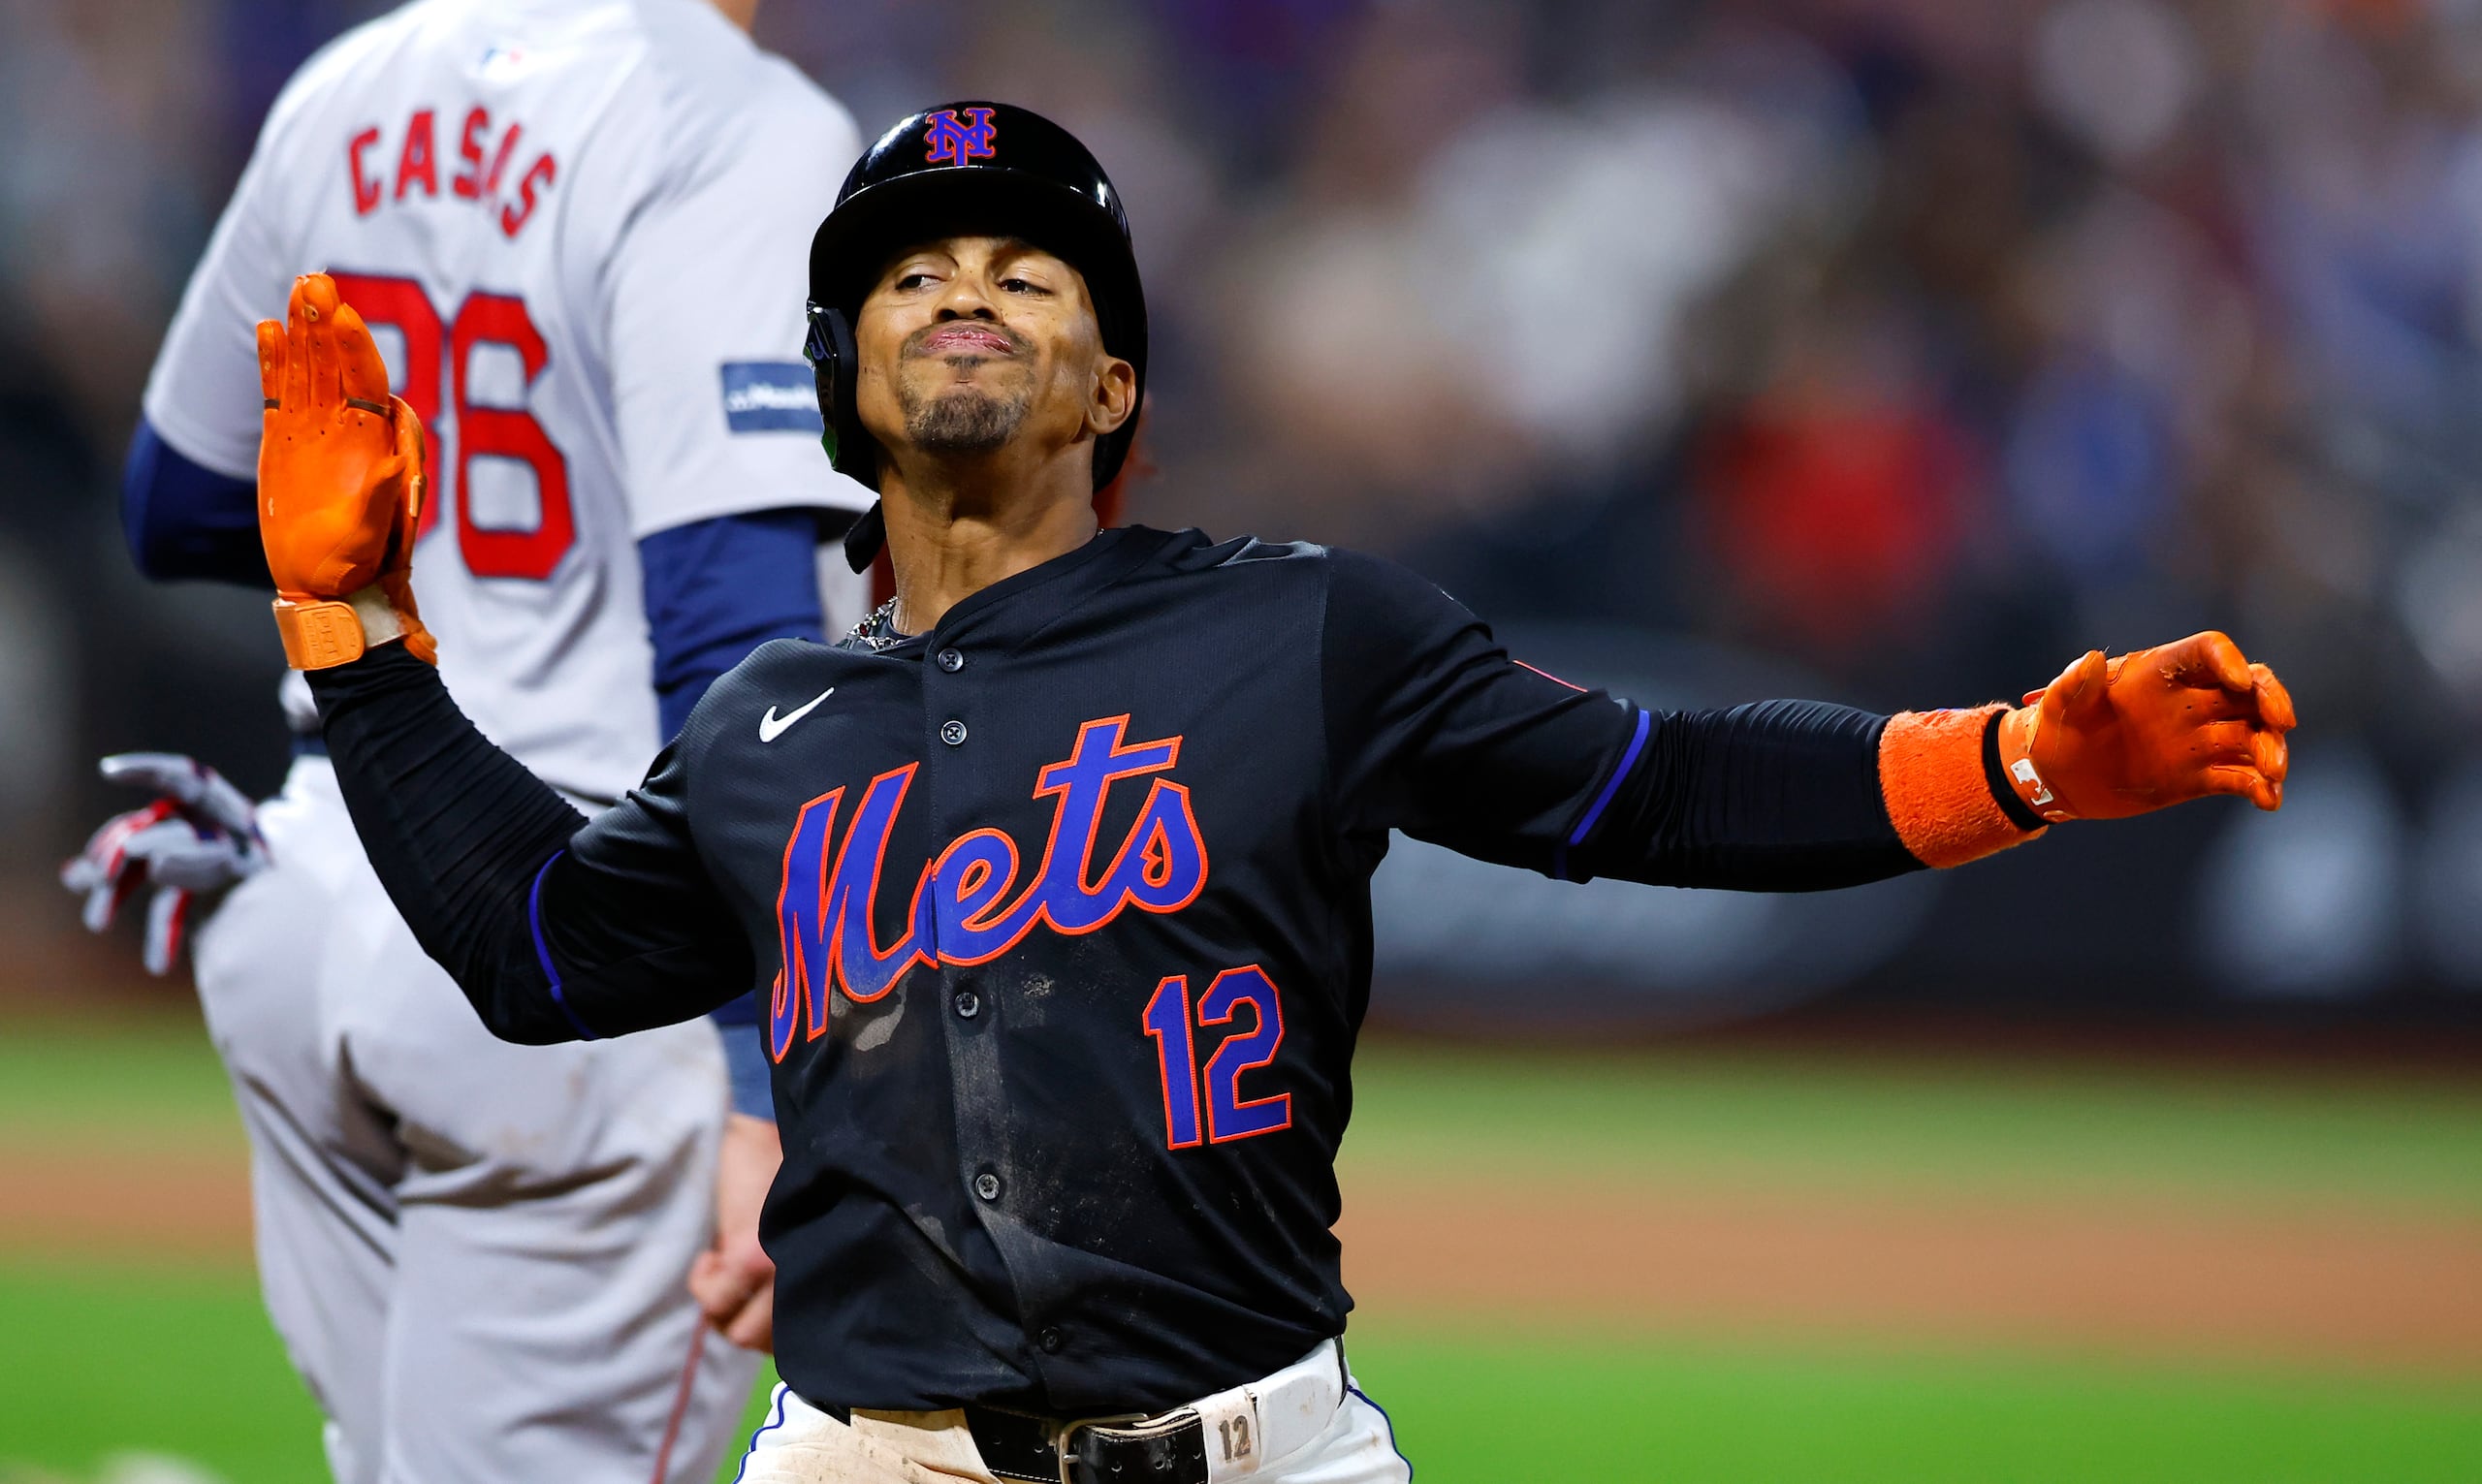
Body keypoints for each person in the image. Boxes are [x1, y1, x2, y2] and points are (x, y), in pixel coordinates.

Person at [244, 104, 2295, 1484]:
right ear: (847, 383)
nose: (967, 286)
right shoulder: (768, 723)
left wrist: (2011, 759)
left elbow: (1651, 788)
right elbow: (536, 950)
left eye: (1029, 272)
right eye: (912, 271)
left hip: (1255, 1446)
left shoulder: (1309, 632)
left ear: (1115, 391)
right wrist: (349, 621)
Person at [71, 2, 873, 1478]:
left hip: (312, 890)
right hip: (580, 957)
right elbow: (732, 647)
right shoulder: (738, 120)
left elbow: (179, 500)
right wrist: (774, 1083)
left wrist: (443, 559)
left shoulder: (350, 86)